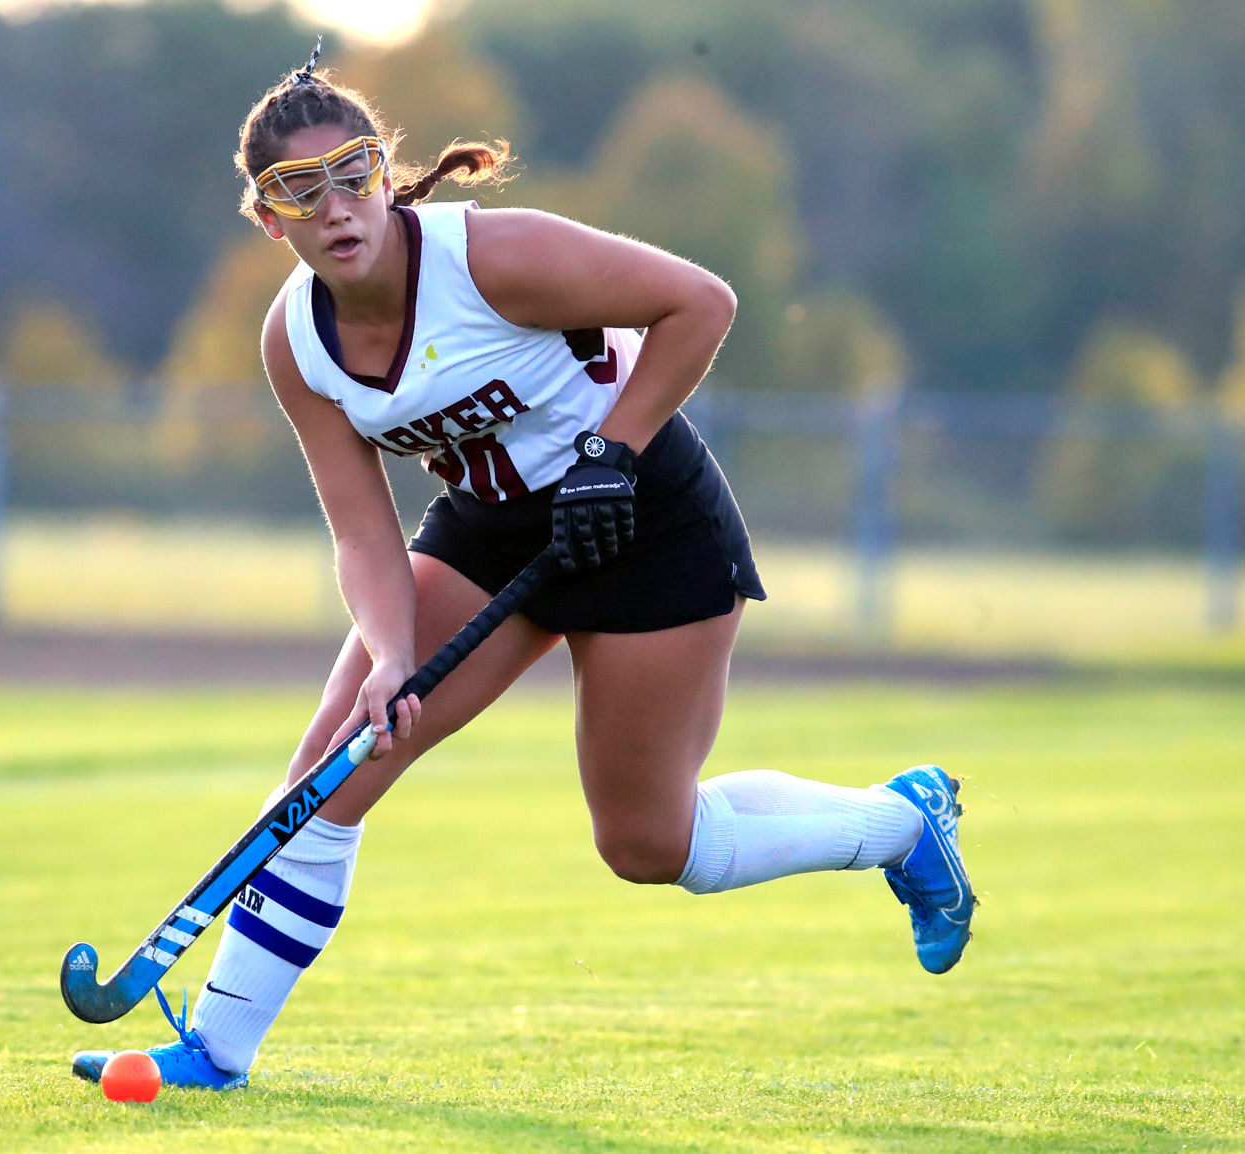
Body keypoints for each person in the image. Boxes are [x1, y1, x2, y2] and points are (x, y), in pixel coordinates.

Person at [72, 45, 973, 1090]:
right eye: (299, 191)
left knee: (645, 841)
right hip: (491, 530)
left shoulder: (492, 259)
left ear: (383, 170)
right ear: (269, 219)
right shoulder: (297, 343)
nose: (336, 206)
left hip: (646, 518)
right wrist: (387, 656)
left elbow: (701, 303)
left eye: (353, 172)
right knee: (329, 772)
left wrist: (611, 452)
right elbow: (363, 531)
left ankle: (902, 823)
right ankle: (216, 1048)